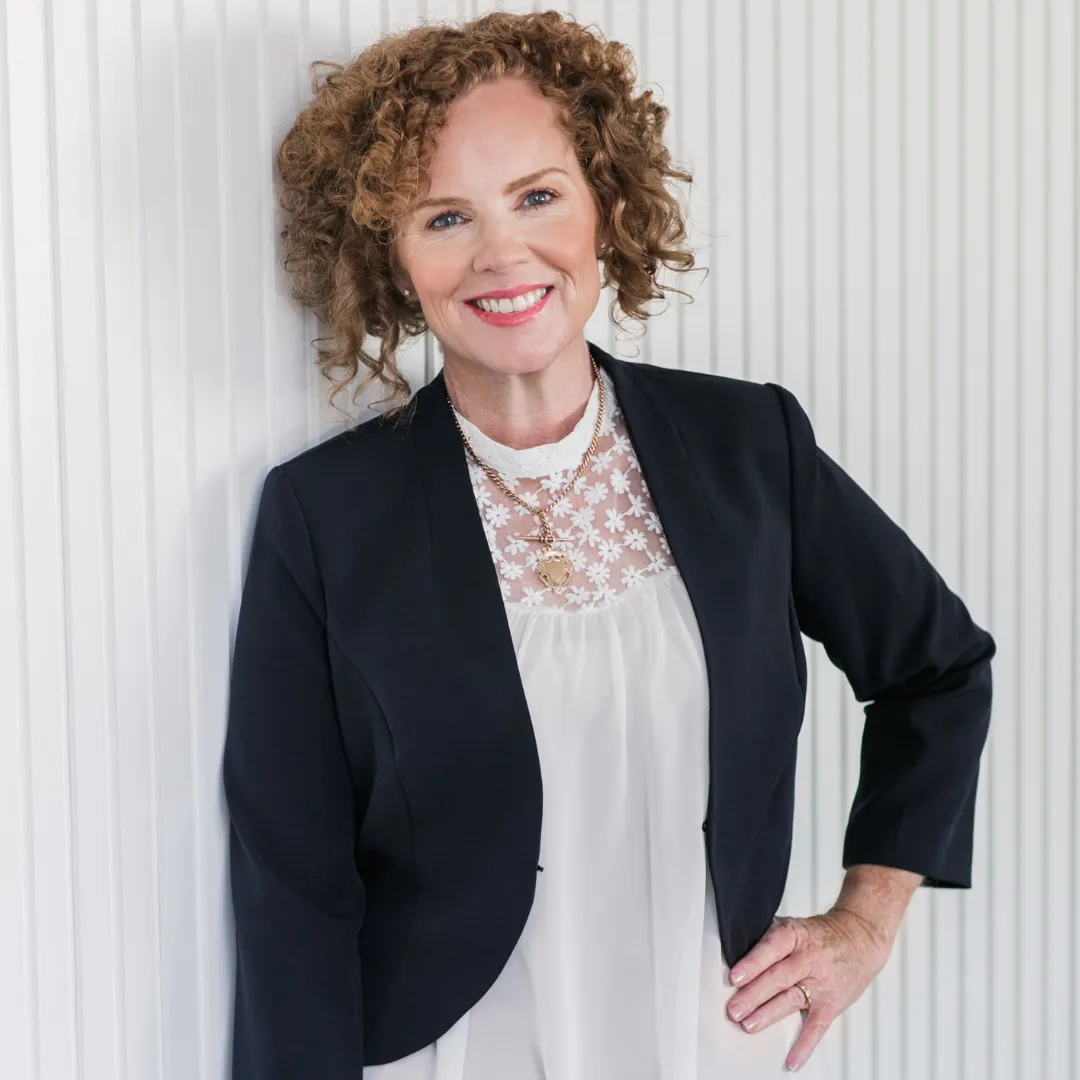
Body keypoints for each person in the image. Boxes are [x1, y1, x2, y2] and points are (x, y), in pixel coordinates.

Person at [222, 10, 996, 1079]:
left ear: (606, 206)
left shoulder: (749, 444)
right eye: (444, 217)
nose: (503, 253)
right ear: (393, 262)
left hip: (711, 1039)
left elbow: (938, 670)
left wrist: (865, 921)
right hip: (452, 1054)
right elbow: (293, 885)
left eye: (538, 196)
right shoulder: (324, 515)